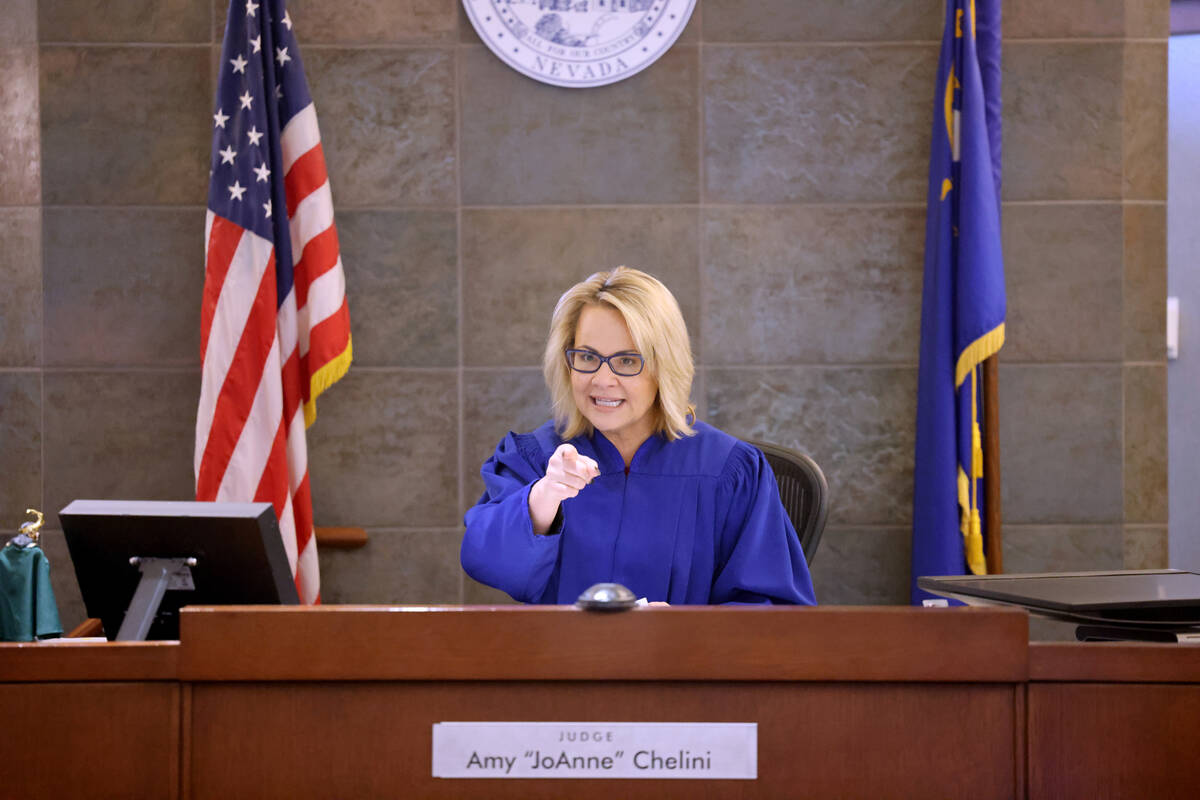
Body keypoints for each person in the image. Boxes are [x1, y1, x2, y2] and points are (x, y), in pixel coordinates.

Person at [461, 266, 816, 606]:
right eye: (587, 356)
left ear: (664, 366)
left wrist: (682, 633)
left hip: (684, 666)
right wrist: (545, 496)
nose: (602, 380)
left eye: (628, 361)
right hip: (561, 665)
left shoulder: (729, 471)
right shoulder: (536, 459)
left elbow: (772, 609)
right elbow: (486, 563)